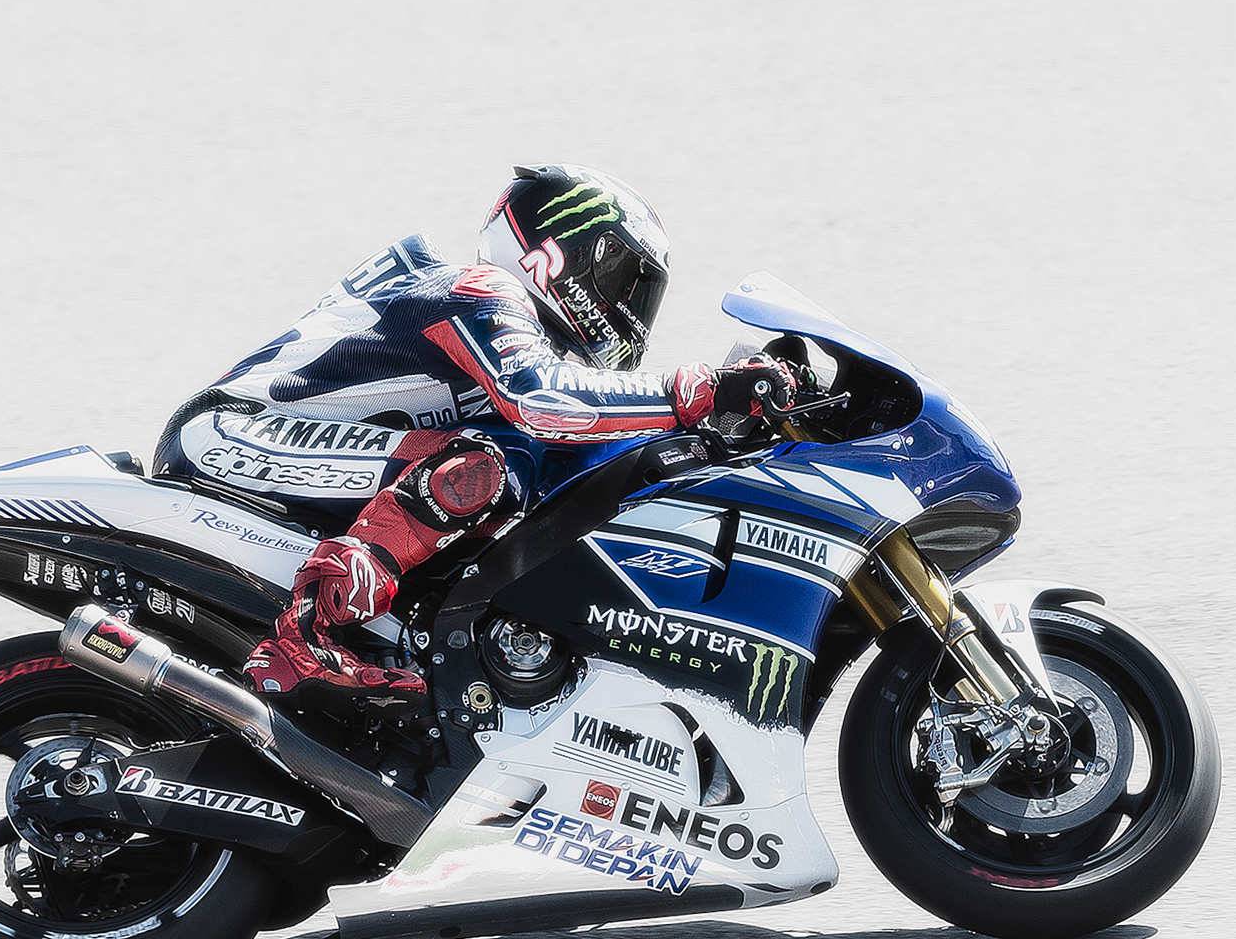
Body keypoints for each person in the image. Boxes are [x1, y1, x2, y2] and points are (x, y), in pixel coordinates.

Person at [154, 164, 801, 705]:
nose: (628, 306)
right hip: (227, 431)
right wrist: (704, 390)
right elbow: (543, 400)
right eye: (622, 279)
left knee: (527, 466)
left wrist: (724, 430)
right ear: (560, 250)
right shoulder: (480, 289)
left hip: (287, 446)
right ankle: (304, 637)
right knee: (489, 465)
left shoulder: (509, 323)